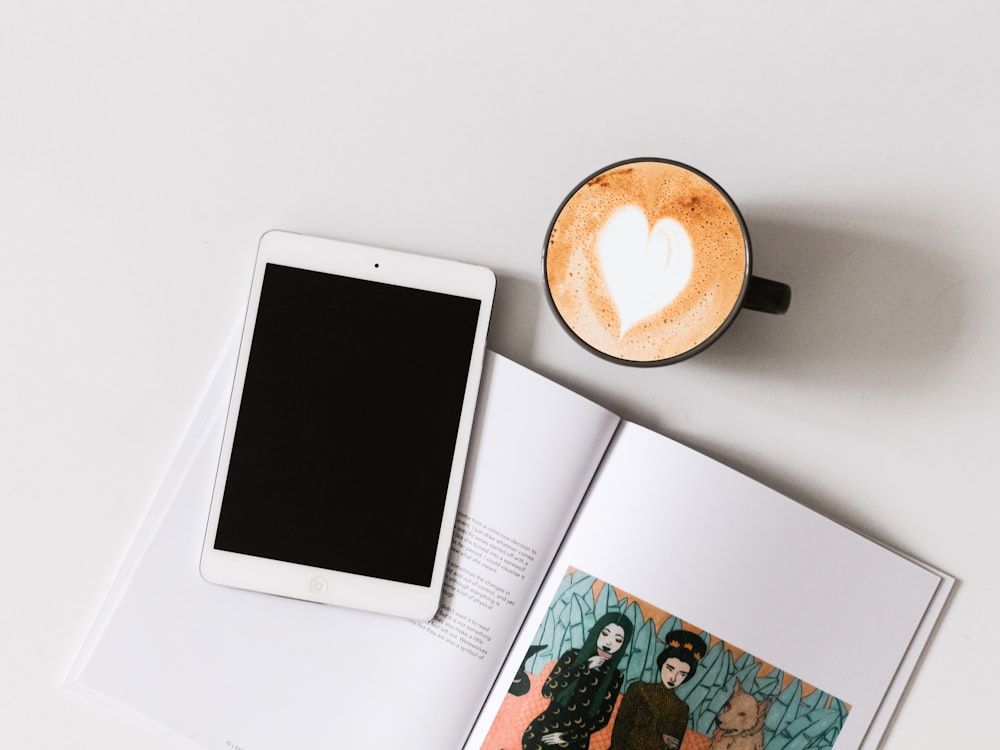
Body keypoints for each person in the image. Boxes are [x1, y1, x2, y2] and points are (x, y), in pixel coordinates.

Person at [522, 612, 634, 750]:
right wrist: (584, 667)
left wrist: (565, 738)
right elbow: (547, 691)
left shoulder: (615, 676)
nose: (609, 642)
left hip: (575, 740)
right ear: (597, 632)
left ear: (623, 645)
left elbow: (601, 719)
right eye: (605, 634)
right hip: (545, 728)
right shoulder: (572, 655)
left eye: (618, 640)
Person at [608, 629, 708, 750]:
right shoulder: (639, 689)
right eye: (670, 668)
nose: (673, 677)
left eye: (682, 674)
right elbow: (621, 728)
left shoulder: (681, 709)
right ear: (662, 664)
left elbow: (673, 746)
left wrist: (670, 742)